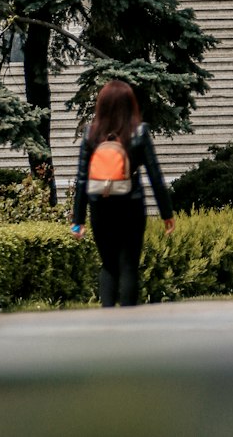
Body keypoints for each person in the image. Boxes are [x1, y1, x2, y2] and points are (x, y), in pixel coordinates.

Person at [71, 79, 175, 307]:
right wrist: (167, 213)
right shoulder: (139, 132)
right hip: (132, 205)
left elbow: (81, 179)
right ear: (130, 105)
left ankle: (107, 319)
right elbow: (155, 175)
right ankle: (128, 320)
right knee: (128, 264)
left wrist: (77, 221)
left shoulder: (91, 134)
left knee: (108, 265)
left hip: (100, 206)